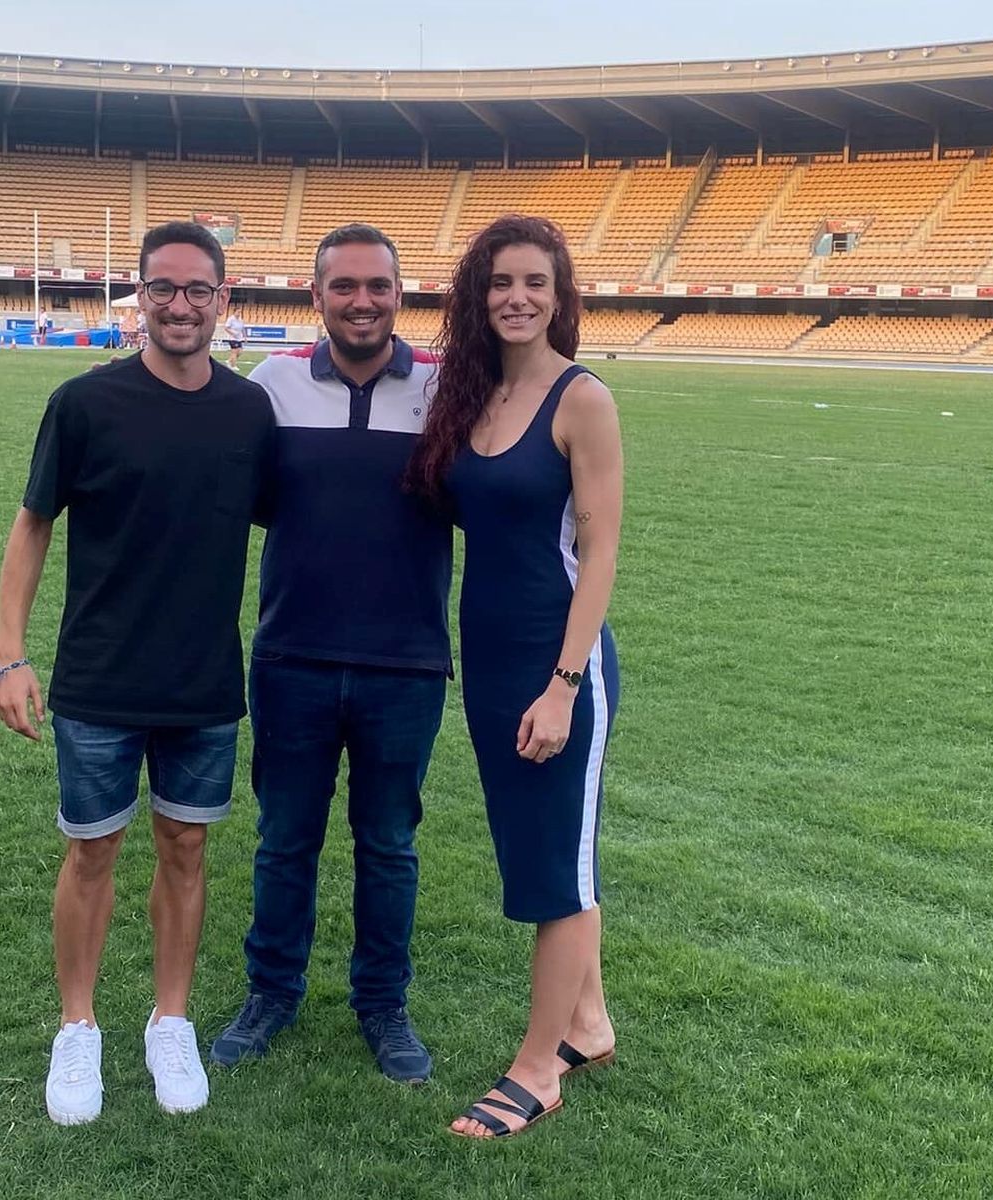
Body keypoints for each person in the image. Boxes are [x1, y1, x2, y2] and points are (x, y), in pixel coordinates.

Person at [0, 220, 275, 1125]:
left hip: (202, 682)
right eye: (164, 288)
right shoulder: (84, 403)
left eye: (198, 290)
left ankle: (170, 1019)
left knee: (186, 849)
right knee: (91, 852)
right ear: (139, 297)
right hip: (99, 678)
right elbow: (34, 523)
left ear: (223, 301)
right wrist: (9, 653)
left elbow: (294, 523)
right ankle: (78, 1029)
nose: (180, 305)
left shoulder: (247, 411)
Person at [209, 225, 452, 1085]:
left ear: (399, 294)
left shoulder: (442, 391)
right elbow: (240, 498)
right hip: (293, 657)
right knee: (285, 840)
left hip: (408, 663)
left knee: (389, 844)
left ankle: (382, 1003)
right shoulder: (269, 385)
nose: (361, 300)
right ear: (317, 297)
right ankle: (271, 991)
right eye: (343, 285)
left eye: (377, 286)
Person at [407, 215, 623, 1139]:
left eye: (535, 281)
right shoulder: (472, 398)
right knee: (543, 849)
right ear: (477, 294)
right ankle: (589, 1021)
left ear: (560, 293)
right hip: (489, 662)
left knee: (554, 871)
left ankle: (538, 1071)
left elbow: (603, 549)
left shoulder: (583, 400)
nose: (517, 297)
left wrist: (564, 684)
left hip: (555, 664)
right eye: (500, 282)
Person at [224, 304, 247, 370]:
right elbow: (226, 328)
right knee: (234, 352)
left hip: (239, 338)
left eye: (240, 312)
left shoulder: (240, 320)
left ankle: (229, 361)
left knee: (240, 352)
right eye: (238, 312)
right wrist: (232, 333)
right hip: (232, 338)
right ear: (234, 312)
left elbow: (243, 328)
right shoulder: (231, 319)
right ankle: (233, 366)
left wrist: (245, 337)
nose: (239, 313)